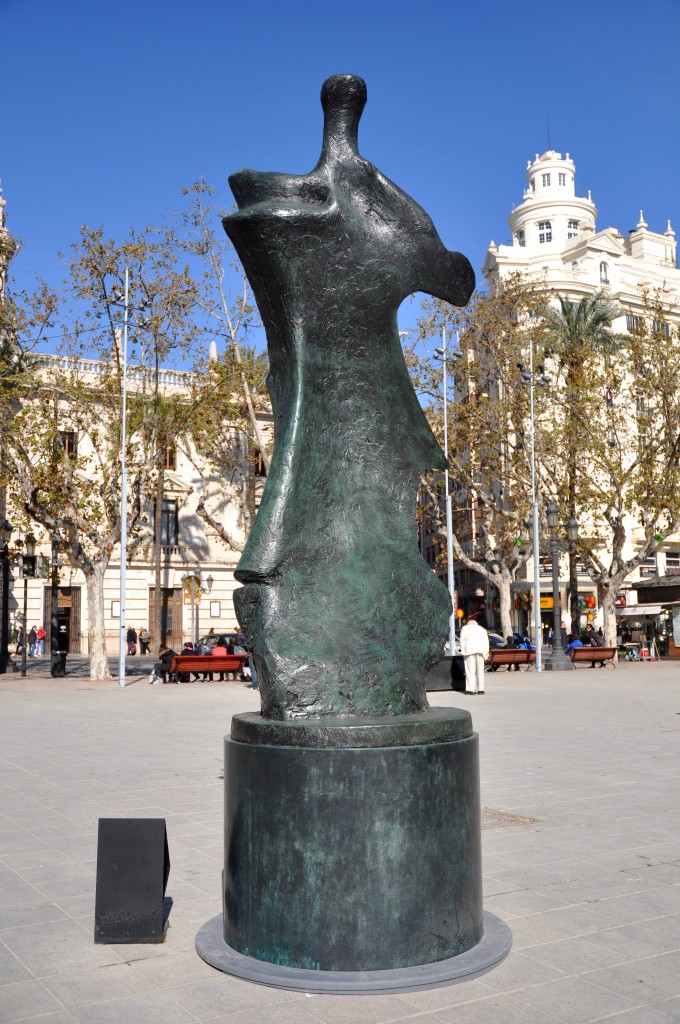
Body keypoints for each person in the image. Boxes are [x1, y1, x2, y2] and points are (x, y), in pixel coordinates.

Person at [459, 618, 490, 695]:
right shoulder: (482, 629)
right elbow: (486, 642)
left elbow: (462, 640)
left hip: (469, 651)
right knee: (480, 671)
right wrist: (486, 653)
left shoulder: (465, 628)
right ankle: (481, 689)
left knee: (470, 671)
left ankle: (470, 689)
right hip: (481, 651)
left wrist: (463, 650)